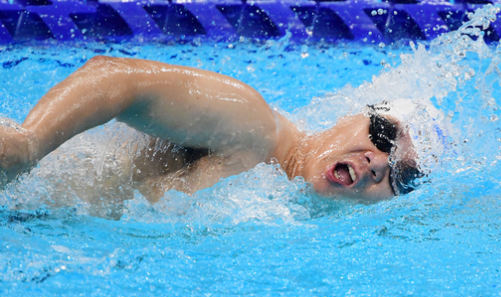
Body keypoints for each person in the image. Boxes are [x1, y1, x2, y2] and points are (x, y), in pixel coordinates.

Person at [0, 56, 420, 204]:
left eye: (401, 175)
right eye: (383, 136)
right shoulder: (254, 129)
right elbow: (115, 78)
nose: (378, 160)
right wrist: (28, 144)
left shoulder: (273, 194)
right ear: (350, 117)